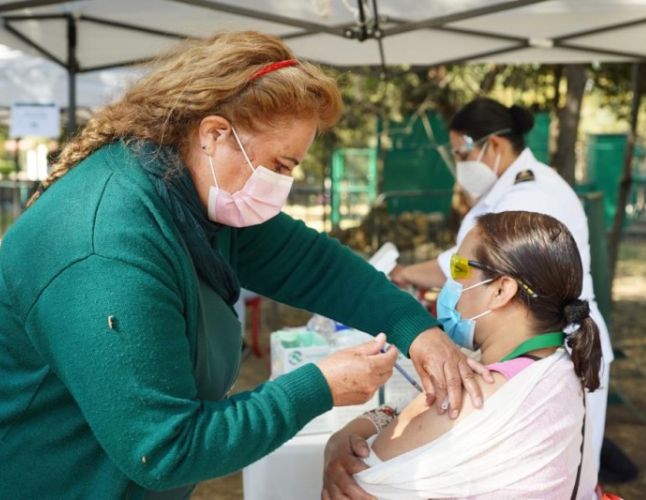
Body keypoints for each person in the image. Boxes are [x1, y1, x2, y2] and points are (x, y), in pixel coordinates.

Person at [0, 32, 487, 498]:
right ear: (215, 134)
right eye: (280, 165)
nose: (282, 186)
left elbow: (314, 265)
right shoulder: (106, 251)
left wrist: (418, 331)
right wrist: (317, 387)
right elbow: (166, 448)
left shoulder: (189, 190)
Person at [390, 97, 614, 475]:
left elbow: (471, 265)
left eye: (461, 152)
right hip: (534, 346)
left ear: (492, 145)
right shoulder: (509, 191)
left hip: (550, 344)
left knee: (562, 473)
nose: (459, 165)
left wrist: (408, 273)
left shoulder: (532, 195)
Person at [324, 210, 602, 499]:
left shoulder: (477, 392)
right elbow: (402, 410)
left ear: (500, 290)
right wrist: (343, 437)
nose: (449, 283)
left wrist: (340, 441)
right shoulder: (558, 364)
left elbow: (358, 479)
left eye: (458, 268)